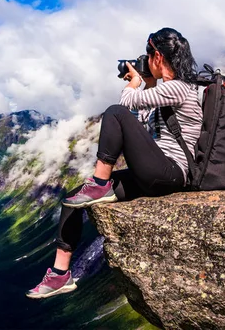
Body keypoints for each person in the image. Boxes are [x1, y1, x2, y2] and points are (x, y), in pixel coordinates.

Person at [26, 28, 203, 299]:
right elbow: (142, 125)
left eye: (147, 55)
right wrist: (147, 83)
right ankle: (60, 275)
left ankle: (100, 182)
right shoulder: (168, 91)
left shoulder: (180, 87)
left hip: (171, 173)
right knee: (74, 198)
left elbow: (126, 104)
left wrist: (134, 83)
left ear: (157, 56)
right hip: (157, 171)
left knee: (114, 112)